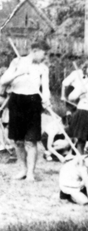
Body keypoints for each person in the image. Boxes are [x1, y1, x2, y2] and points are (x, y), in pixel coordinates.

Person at [0, 40, 52, 181]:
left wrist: (46, 100)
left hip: (34, 101)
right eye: (44, 54)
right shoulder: (17, 62)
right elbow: (3, 81)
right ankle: (23, 169)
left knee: (31, 140)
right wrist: (18, 73)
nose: (45, 57)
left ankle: (30, 173)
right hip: (17, 100)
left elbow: (46, 89)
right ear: (35, 50)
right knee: (18, 140)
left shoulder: (43, 68)